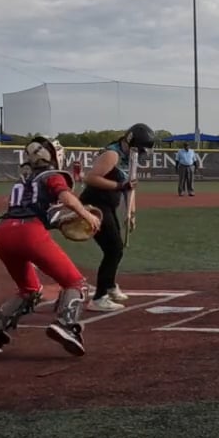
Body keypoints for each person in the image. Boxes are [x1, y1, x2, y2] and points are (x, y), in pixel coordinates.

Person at [0, 137, 99, 356]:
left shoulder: (23, 180)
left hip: (3, 233)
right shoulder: (51, 175)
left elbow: (28, 209)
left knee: (29, 290)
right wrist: (86, 214)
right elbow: (66, 198)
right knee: (76, 283)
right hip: (29, 233)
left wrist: (58, 222)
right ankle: (65, 325)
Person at [79, 123, 154, 312]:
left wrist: (131, 213)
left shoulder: (130, 159)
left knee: (114, 248)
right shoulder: (112, 154)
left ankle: (110, 286)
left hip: (108, 206)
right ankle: (99, 298)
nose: (140, 153)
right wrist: (119, 186)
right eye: (139, 149)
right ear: (129, 142)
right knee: (114, 249)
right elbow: (91, 178)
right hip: (94, 205)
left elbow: (130, 188)